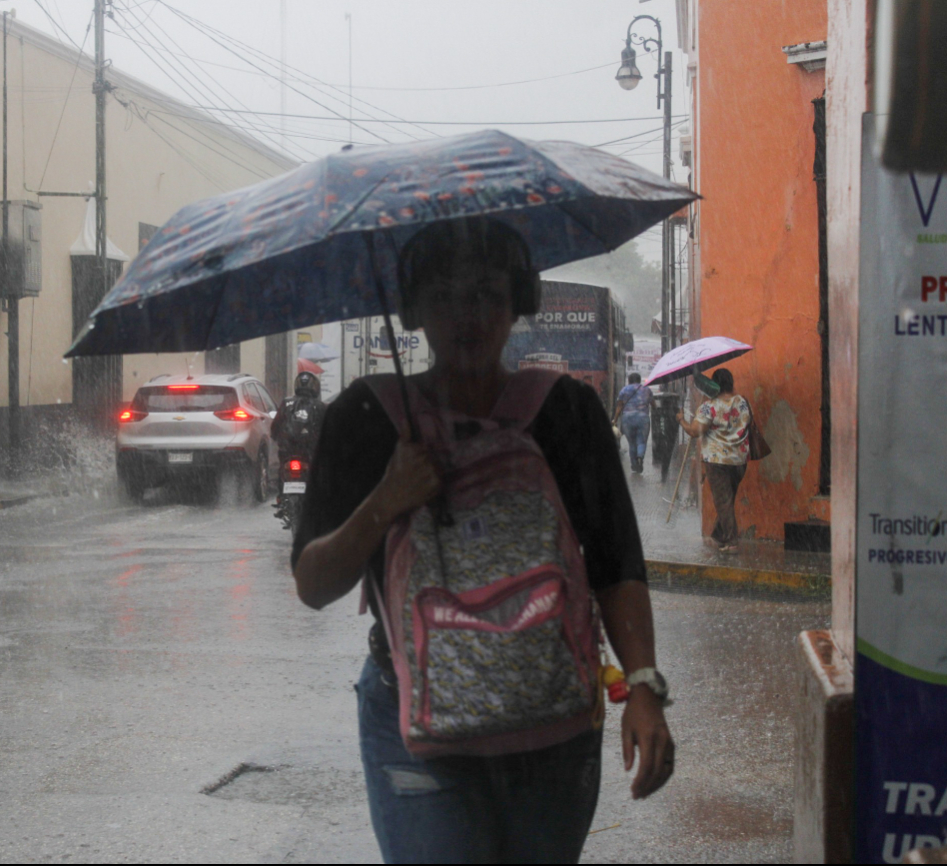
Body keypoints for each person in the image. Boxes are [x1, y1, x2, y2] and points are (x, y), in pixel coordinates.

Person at [291, 217, 674, 864]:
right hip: (411, 719)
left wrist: (642, 687)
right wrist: (385, 499)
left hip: (552, 713)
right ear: (411, 311)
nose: (464, 316)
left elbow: (614, 563)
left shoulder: (566, 413)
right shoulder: (364, 416)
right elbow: (313, 585)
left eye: (485, 294)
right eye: (440, 297)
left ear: (518, 302)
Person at [676, 367, 752, 553]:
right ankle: (718, 536)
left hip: (718, 461)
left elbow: (695, 431)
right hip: (740, 460)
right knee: (727, 499)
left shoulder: (709, 407)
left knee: (723, 501)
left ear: (714, 384)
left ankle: (732, 541)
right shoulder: (742, 402)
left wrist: (681, 420)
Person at [271, 371, 328, 462]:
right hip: (310, 451)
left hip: (288, 450)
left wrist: (275, 436)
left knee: (282, 468)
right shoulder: (320, 406)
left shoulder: (286, 402)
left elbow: (276, 425)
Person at [612, 372, 653, 473]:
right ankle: (640, 457)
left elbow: (619, 406)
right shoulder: (647, 390)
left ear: (629, 380)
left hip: (627, 419)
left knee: (632, 443)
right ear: (639, 380)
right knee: (641, 441)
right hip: (643, 419)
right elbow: (653, 403)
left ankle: (634, 465)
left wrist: (615, 419)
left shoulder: (624, 390)